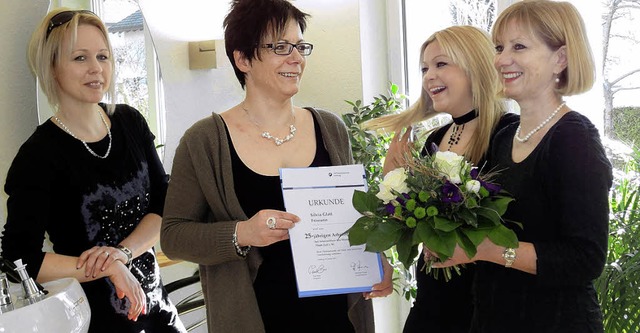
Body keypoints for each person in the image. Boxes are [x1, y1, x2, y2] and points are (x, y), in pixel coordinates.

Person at [160, 0, 392, 332]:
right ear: (242, 59)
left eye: (300, 47)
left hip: (337, 320)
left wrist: (374, 256)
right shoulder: (204, 141)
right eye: (280, 47)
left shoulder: (331, 128)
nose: (296, 58)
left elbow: (353, 217)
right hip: (257, 319)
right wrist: (243, 233)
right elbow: (173, 237)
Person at [0, 8, 186, 333]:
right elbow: (20, 259)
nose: (96, 69)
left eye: (103, 56)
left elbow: (163, 203)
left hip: (158, 308)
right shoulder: (39, 155)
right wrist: (108, 269)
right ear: (52, 67)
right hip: (92, 318)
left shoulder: (130, 122)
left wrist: (122, 255)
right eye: (80, 58)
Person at [433, 1, 613, 332]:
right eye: (499, 47)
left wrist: (488, 249)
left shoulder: (574, 140)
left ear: (560, 58)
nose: (501, 59)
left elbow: (586, 258)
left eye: (519, 46)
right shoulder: (505, 137)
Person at [365, 25, 518, 333]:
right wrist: (393, 177)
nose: (428, 76)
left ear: (474, 66)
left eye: (440, 64)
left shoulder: (509, 134)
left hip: (485, 309)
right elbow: (411, 232)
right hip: (431, 303)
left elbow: (512, 225)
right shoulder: (433, 138)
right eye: (424, 68)